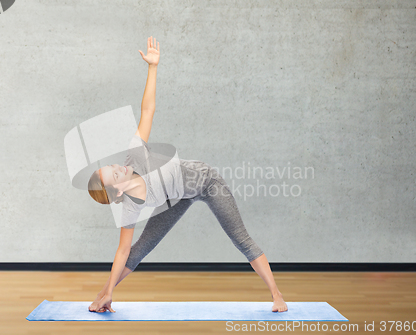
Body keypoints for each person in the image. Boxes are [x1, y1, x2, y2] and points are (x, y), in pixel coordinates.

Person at [88, 36, 288, 313]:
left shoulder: (135, 155)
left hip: (206, 182)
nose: (118, 168)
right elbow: (123, 251)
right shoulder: (130, 207)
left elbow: (148, 110)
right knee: (140, 250)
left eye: (112, 167)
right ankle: (104, 294)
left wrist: (153, 67)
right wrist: (108, 290)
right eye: (114, 175)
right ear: (118, 192)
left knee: (240, 238)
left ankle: (277, 296)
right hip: (174, 198)